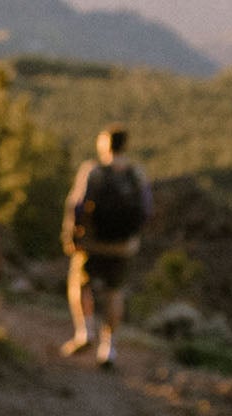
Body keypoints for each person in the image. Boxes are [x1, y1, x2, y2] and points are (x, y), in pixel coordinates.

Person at [57, 125, 151, 370]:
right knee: (114, 292)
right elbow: (146, 209)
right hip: (122, 246)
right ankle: (108, 348)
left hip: (92, 243)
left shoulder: (93, 171)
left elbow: (77, 205)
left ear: (105, 144)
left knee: (80, 284)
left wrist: (71, 235)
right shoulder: (136, 174)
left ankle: (85, 331)